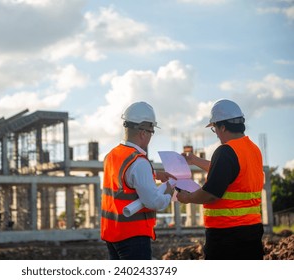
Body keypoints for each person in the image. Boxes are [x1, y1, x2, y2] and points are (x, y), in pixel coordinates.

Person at [177, 99, 265, 260]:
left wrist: (187, 197)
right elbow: (227, 171)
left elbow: (211, 194)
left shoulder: (225, 151)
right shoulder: (253, 150)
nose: (216, 133)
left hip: (227, 235)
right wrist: (194, 159)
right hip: (252, 232)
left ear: (222, 127)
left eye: (215, 129)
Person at [101, 101, 176, 260]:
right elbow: (154, 202)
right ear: (143, 132)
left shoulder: (112, 155)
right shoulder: (139, 162)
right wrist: (169, 192)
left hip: (112, 233)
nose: (150, 136)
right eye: (151, 132)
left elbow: (125, 178)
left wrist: (154, 173)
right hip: (133, 236)